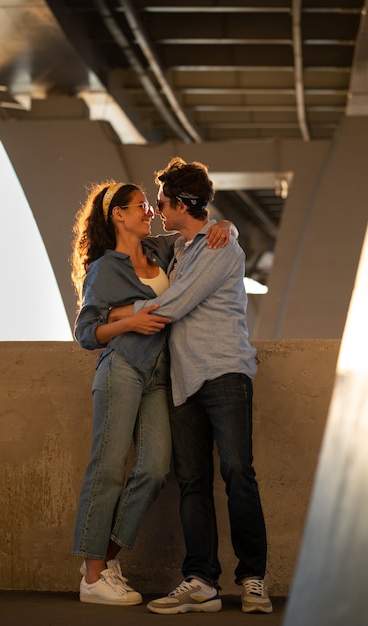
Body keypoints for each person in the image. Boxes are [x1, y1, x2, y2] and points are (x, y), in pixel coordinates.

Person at [112, 157, 273, 615]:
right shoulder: (181, 246)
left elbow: (174, 305)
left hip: (223, 372)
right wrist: (229, 223)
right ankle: (201, 581)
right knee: (193, 483)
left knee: (238, 474)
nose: (157, 209)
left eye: (161, 202)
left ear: (182, 203)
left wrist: (117, 318)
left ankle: (253, 579)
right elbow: (134, 241)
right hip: (184, 380)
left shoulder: (220, 249)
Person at [70, 180, 230, 606]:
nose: (149, 211)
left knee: (156, 469)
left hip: (160, 374)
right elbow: (87, 333)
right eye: (140, 206)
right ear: (117, 215)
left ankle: (107, 561)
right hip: (122, 366)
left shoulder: (162, 250)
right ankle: (91, 578)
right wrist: (128, 322)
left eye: (148, 204)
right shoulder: (105, 268)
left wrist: (224, 224)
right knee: (106, 468)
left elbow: (197, 230)